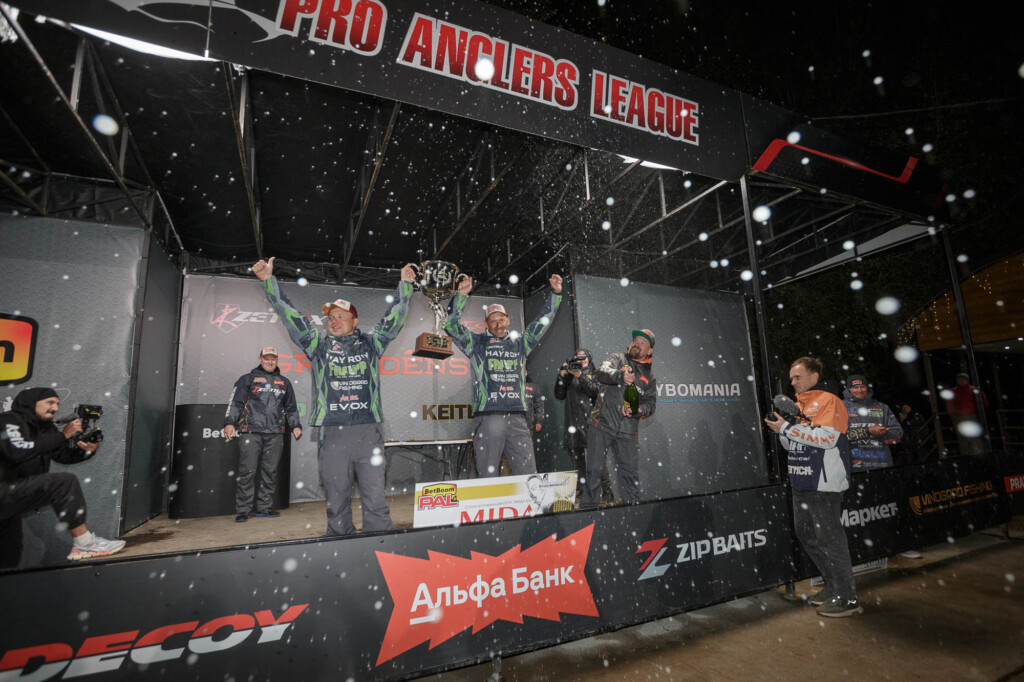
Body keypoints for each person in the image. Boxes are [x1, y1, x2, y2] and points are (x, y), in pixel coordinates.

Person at [252, 256, 415, 537]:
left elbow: (395, 318)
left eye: (341, 316)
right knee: (336, 499)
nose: (334, 321)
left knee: (375, 497)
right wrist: (269, 282)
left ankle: (381, 544)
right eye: (330, 317)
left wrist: (405, 286)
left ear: (355, 321)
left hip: (367, 430)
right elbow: (290, 316)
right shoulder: (317, 345)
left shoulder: (371, 343)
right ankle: (341, 542)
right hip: (333, 432)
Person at [765, 357, 861, 617]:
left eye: (797, 377)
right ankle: (834, 587)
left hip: (824, 484)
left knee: (830, 540)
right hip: (801, 481)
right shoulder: (797, 405)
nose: (793, 382)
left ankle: (848, 598)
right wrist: (783, 430)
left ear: (814, 377)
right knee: (806, 535)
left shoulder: (830, 401)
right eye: (791, 378)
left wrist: (788, 427)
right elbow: (792, 445)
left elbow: (827, 439)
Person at [445, 273, 563, 477]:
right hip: (488, 418)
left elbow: (542, 323)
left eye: (501, 319)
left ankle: (527, 500)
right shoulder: (476, 343)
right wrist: (461, 296)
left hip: (518, 418)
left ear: (508, 320)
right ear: (486, 324)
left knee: (529, 476)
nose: (498, 325)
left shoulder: (521, 343)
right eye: (493, 321)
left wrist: (555, 294)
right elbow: (451, 326)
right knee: (488, 477)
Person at [1, 387, 125, 566]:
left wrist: (87, 450)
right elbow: (18, 451)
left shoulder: (46, 428)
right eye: (50, 402)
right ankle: (84, 543)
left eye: (57, 404)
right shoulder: (9, 420)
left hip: (10, 502)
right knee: (64, 482)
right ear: (31, 403)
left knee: (9, 556)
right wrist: (64, 435)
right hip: (4, 490)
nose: (55, 408)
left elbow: (64, 456)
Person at [579, 329, 658, 509]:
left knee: (630, 476)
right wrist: (621, 376)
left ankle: (633, 514)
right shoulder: (617, 358)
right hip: (601, 425)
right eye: (636, 340)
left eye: (643, 342)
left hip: (628, 432)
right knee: (594, 473)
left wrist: (638, 410)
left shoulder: (650, 377)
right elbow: (601, 372)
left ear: (650, 350)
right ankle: (588, 514)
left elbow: (651, 405)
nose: (637, 344)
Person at [223, 346, 302, 523]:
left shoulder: (284, 382)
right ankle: (243, 510)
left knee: (270, 472)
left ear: (277, 360)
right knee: (247, 471)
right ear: (260, 359)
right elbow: (236, 403)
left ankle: (264, 508)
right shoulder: (247, 379)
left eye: (273, 359)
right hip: (250, 431)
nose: (270, 362)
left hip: (275, 433)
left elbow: (291, 408)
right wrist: (229, 423)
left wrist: (295, 425)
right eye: (267, 358)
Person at [554, 348, 614, 502]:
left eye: (583, 358)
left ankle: (607, 491)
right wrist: (562, 375)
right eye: (577, 358)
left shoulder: (596, 374)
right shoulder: (569, 375)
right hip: (572, 424)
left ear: (589, 359)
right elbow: (559, 395)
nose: (580, 361)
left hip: (591, 423)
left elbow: (597, 392)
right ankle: (581, 492)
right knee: (577, 461)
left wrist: (580, 376)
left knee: (596, 460)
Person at [841, 374, 903, 471]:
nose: (859, 390)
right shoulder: (840, 406)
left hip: (882, 465)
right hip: (852, 466)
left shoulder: (882, 407)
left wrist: (883, 434)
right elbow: (838, 436)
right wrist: (868, 431)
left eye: (862, 387)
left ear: (867, 388)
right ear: (849, 389)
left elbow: (898, 433)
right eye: (855, 387)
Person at [946, 372, 989, 456]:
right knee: (962, 438)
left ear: (967, 380)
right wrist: (953, 416)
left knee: (974, 437)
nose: (960, 381)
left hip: (972, 416)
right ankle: (966, 455)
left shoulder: (974, 390)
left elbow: (984, 403)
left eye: (962, 379)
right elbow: (949, 404)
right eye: (959, 379)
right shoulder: (953, 391)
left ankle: (978, 455)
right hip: (959, 417)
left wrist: (979, 414)